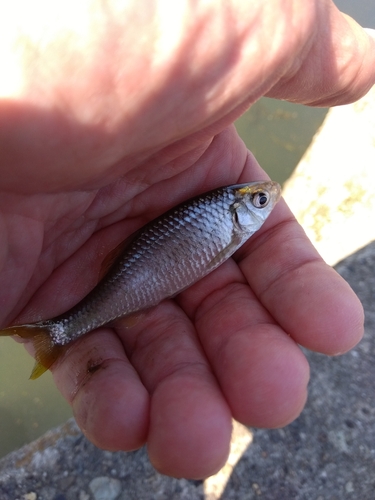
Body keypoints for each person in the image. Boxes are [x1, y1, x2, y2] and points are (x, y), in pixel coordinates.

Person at [0, 0, 374, 479]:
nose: (268, 199)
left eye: (261, 200)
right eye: (259, 201)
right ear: (241, 210)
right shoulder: (229, 217)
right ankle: (60, 329)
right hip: (135, 272)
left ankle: (61, 329)